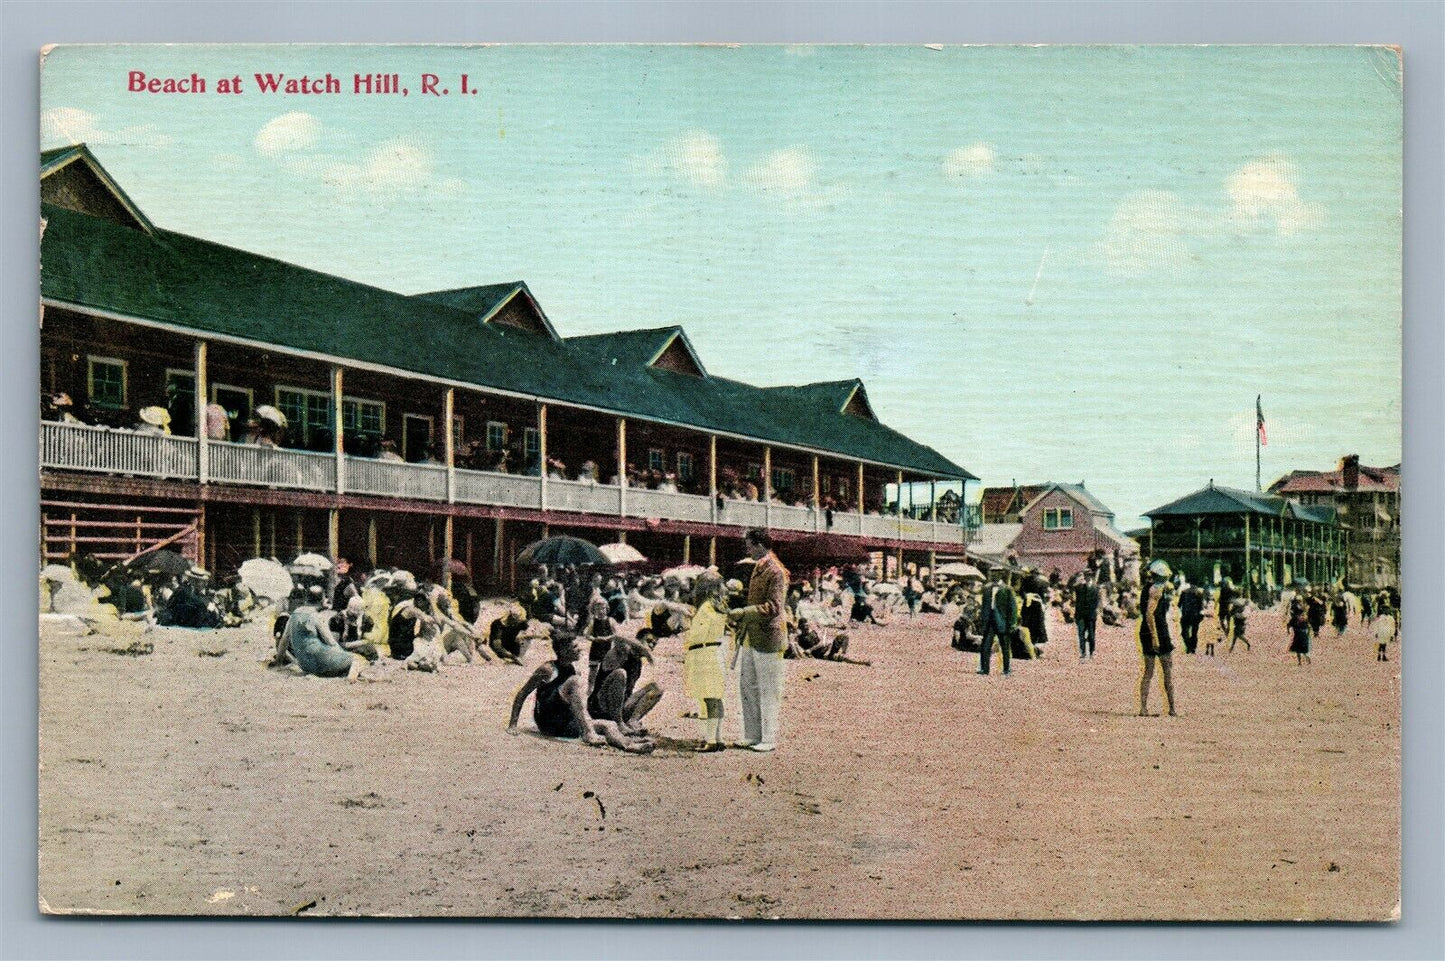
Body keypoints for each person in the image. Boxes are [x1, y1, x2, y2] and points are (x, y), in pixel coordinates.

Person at [506, 632, 653, 753]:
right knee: (576, 681)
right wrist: (513, 725)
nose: (580, 649)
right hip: (548, 723)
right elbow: (522, 693)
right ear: (563, 651)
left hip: (566, 722)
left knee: (610, 725)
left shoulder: (572, 668)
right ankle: (588, 733)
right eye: (575, 646)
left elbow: (578, 704)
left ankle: (629, 745)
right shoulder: (547, 669)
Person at [728, 528, 789, 752]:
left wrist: (745, 611)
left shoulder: (776, 571)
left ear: (760, 545)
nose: (747, 549)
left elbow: (774, 607)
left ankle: (769, 738)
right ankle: (752, 734)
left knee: (768, 689)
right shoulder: (759, 568)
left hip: (767, 637)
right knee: (748, 687)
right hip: (751, 636)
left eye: (749, 545)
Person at [681, 570, 731, 751]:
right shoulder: (718, 605)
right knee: (716, 697)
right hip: (714, 651)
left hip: (704, 653)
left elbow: (697, 634)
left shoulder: (705, 608)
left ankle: (710, 740)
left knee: (708, 698)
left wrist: (687, 628)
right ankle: (717, 738)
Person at [274, 586, 366, 679]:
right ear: (322, 599)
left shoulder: (294, 614)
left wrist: (278, 663)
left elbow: (283, 642)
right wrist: (344, 654)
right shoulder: (317, 616)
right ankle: (350, 680)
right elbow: (331, 642)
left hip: (304, 664)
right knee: (358, 659)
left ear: (307, 598)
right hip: (320, 662)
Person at [1137, 560, 1177, 717]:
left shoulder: (1146, 588)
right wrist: (1155, 638)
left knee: (1149, 671)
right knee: (1167, 670)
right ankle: (1172, 708)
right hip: (1157, 630)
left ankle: (1143, 708)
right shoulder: (1156, 590)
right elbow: (1149, 614)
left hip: (1145, 631)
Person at [978, 567, 1018, 676]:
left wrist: (1012, 623)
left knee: (1005, 647)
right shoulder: (987, 589)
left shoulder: (1007, 589)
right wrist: (982, 621)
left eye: (995, 573)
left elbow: (1012, 608)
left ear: (1001, 574)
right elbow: (983, 607)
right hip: (989, 621)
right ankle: (984, 669)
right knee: (985, 646)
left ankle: (1006, 669)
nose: (992, 575)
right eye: (991, 573)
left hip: (1003, 622)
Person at [1072, 572, 1100, 660]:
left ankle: (1092, 652)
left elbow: (1097, 602)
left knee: (1091, 635)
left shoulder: (1096, 588)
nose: (1087, 577)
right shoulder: (1080, 587)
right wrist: (1078, 581)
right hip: (1081, 614)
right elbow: (1073, 587)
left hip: (1091, 615)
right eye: (1086, 576)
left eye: (1089, 576)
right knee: (1081, 634)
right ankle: (1083, 653)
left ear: (1091, 577)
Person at [1178, 581, 1205, 655]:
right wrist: (1201, 615)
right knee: (1194, 632)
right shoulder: (1199, 593)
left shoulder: (1184, 592)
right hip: (1196, 616)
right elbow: (1201, 605)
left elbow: (1179, 604)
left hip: (1186, 615)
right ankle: (1193, 648)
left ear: (1189, 584)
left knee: (1184, 632)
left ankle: (1188, 646)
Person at [1287, 596, 1312, 665]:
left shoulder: (1303, 618)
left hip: (1302, 635)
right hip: (1298, 634)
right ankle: (1300, 661)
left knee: (1303, 650)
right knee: (1298, 650)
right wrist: (1288, 630)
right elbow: (1288, 625)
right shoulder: (1295, 618)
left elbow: (1308, 627)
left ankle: (1306, 659)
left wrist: (1308, 633)